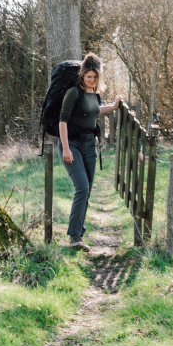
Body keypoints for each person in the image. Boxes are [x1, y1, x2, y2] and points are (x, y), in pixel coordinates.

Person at [58, 53, 123, 251]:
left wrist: (112, 106)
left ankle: (78, 234)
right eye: (89, 77)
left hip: (89, 146)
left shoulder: (95, 94)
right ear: (82, 75)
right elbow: (63, 121)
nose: (92, 80)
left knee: (87, 190)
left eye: (95, 77)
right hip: (73, 145)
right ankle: (74, 237)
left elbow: (94, 110)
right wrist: (66, 148)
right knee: (82, 188)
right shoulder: (73, 93)